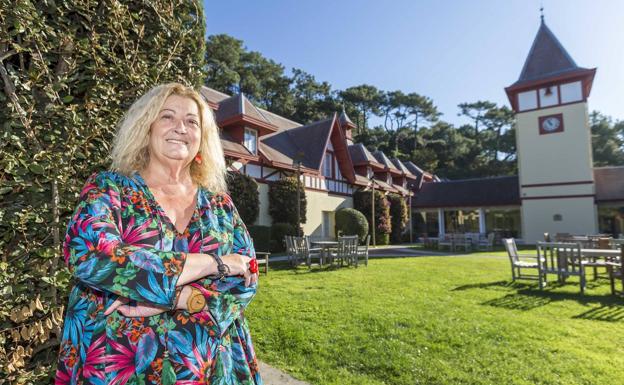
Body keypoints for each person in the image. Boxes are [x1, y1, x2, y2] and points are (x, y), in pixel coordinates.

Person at [55, 83, 262, 385]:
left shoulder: (220, 204)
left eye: (192, 121)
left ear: (202, 138)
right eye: (167, 116)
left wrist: (174, 294)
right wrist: (209, 266)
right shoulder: (110, 189)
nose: (181, 127)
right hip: (117, 363)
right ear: (146, 128)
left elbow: (247, 274)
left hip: (208, 365)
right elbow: (90, 254)